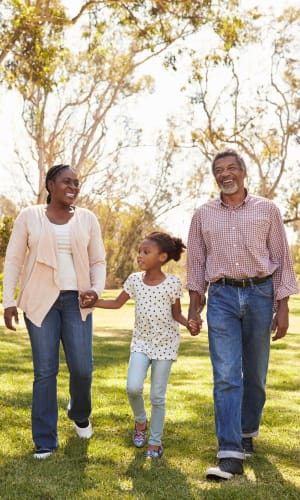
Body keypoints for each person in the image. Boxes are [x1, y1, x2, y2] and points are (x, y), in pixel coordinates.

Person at [187, 149, 298, 480]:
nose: (225, 173)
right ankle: (230, 451)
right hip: (221, 296)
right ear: (215, 177)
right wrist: (195, 305)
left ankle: (247, 431)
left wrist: (283, 306)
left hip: (260, 293)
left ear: (243, 172)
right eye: (219, 170)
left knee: (256, 375)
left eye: (231, 167)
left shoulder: (268, 210)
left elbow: (281, 257)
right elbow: (195, 263)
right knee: (226, 374)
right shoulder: (203, 214)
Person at [2, 164, 106, 459]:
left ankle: (79, 413)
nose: (73, 186)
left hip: (78, 301)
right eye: (66, 181)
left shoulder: (87, 219)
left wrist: (96, 290)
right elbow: (13, 260)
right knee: (45, 372)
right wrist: (8, 300)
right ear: (50, 184)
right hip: (40, 301)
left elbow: (98, 261)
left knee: (82, 369)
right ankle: (45, 440)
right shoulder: (29, 216)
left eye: (76, 182)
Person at [81, 231, 199, 458]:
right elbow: (117, 303)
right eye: (139, 252)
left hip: (165, 344)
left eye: (146, 252)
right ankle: (140, 421)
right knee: (133, 388)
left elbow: (177, 314)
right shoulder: (134, 280)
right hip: (141, 343)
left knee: (157, 396)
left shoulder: (173, 283)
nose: (140, 256)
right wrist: (94, 302)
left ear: (162, 257)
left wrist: (189, 325)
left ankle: (155, 442)